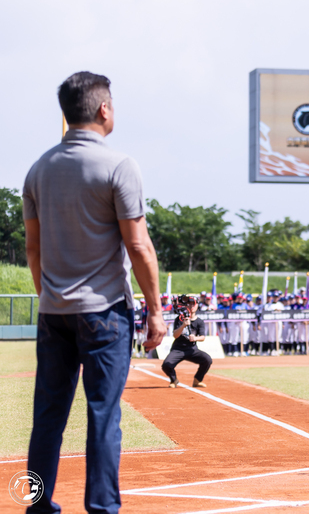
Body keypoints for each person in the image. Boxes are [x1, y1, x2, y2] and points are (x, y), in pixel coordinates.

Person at [23, 71, 167, 513]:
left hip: (54, 312)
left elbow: (33, 248)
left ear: (65, 113)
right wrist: (155, 311)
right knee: (103, 415)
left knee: (47, 417)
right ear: (104, 109)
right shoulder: (119, 166)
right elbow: (138, 245)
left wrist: (50, 295)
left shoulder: (38, 169)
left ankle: (37, 504)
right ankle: (102, 508)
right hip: (104, 311)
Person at [161, 296, 212, 388]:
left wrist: (195, 338)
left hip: (192, 349)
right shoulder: (179, 319)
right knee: (166, 365)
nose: (191, 306)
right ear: (186, 306)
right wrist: (183, 325)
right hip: (178, 349)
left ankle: (197, 380)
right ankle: (174, 380)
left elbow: (203, 337)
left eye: (193, 304)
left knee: (207, 360)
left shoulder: (199, 321)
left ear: (197, 306)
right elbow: (175, 335)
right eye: (189, 304)